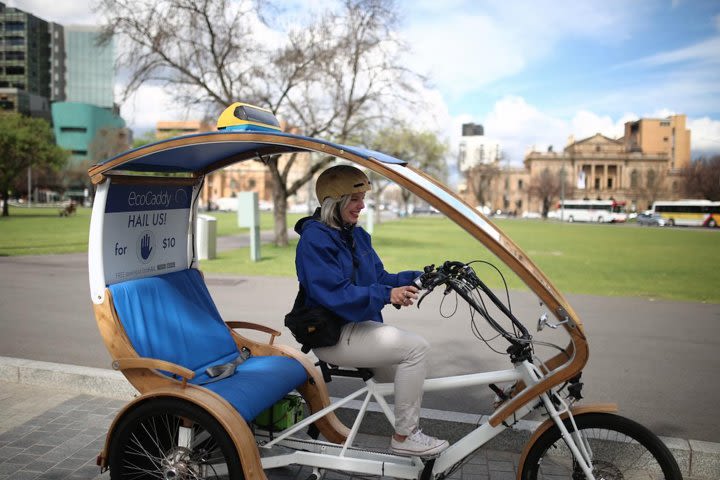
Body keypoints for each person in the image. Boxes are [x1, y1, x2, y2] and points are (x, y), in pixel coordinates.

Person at [293, 164, 449, 457]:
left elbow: (380, 278)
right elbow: (334, 293)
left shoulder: (357, 236)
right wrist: (387, 295)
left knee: (410, 376)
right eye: (355, 200)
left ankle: (409, 434)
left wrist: (422, 276)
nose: (362, 206)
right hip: (332, 334)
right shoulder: (315, 240)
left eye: (363, 198)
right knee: (416, 349)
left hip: (359, 326)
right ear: (334, 202)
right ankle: (405, 438)